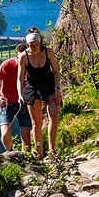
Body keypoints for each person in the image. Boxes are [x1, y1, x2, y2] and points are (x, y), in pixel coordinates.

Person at [17, 28, 61, 158]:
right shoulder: (23, 56)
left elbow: (56, 72)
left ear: (40, 42)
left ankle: (52, 149)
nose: (34, 47)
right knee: (36, 122)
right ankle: (39, 151)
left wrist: (58, 89)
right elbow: (20, 78)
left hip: (49, 86)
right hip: (32, 88)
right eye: (31, 45)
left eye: (36, 44)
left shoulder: (48, 52)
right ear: (27, 44)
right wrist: (20, 94)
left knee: (53, 115)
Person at [0, 41, 29, 152]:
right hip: (6, 102)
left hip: (23, 103)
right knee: (5, 134)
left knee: (26, 136)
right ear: (16, 55)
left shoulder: (30, 66)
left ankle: (26, 159)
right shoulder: (7, 65)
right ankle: (10, 153)